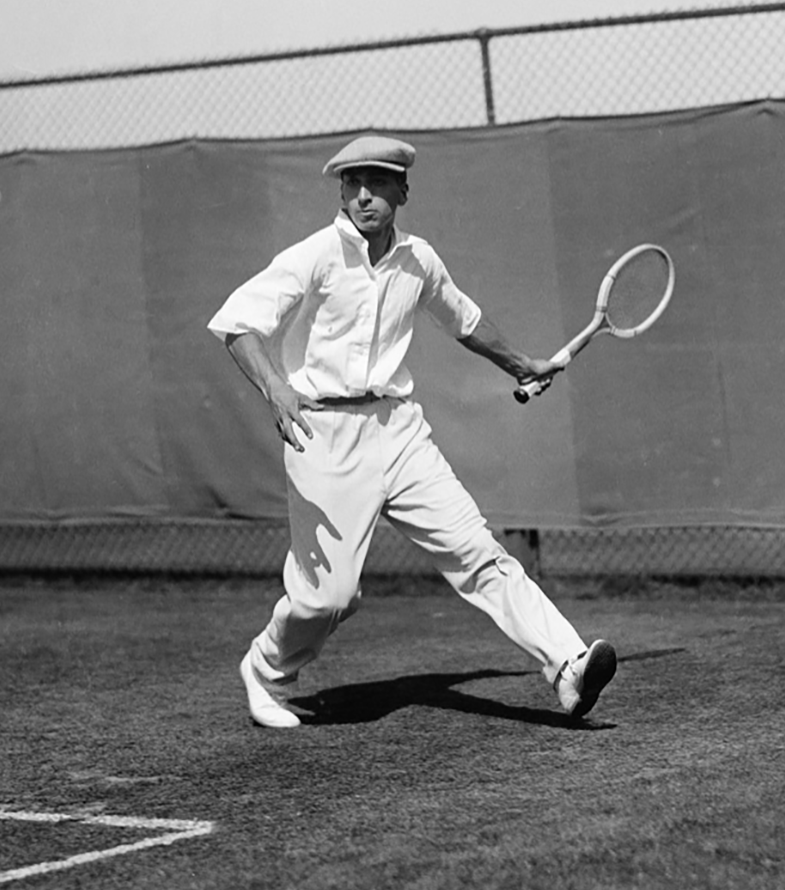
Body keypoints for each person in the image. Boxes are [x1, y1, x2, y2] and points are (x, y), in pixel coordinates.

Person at [207, 135, 616, 728]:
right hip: (321, 432)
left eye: (377, 182)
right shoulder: (315, 255)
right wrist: (275, 386)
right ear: (343, 192)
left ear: (403, 190)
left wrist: (522, 364)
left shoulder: (419, 260)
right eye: (353, 183)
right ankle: (265, 669)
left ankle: (567, 666)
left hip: (399, 432)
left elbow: (464, 319)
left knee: (477, 551)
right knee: (329, 598)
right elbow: (237, 323)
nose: (364, 195)